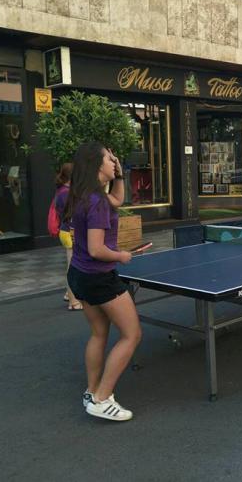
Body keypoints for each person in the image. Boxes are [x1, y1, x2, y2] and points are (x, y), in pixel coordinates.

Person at [65, 142, 141, 422]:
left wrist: (119, 175)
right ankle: (101, 398)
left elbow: (118, 201)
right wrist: (121, 255)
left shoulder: (87, 195)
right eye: (110, 160)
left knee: (99, 334)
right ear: (97, 165)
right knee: (132, 335)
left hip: (80, 274)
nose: (114, 162)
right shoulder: (96, 202)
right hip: (99, 277)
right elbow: (97, 249)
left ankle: (92, 391)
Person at [54, 163, 81, 311]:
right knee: (72, 268)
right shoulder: (66, 193)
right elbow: (72, 214)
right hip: (69, 232)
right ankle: (74, 302)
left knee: (73, 265)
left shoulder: (63, 191)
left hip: (67, 231)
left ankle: (67, 294)